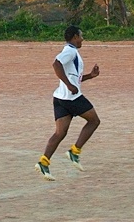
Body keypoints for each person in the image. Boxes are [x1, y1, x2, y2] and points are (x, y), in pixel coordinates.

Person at [35, 25, 101, 181]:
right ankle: (74, 151)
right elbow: (56, 64)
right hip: (72, 98)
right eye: (81, 36)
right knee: (94, 121)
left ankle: (43, 162)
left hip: (59, 98)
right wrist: (69, 85)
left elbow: (74, 78)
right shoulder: (70, 51)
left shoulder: (72, 52)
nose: (83, 39)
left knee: (60, 133)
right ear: (74, 37)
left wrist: (90, 76)